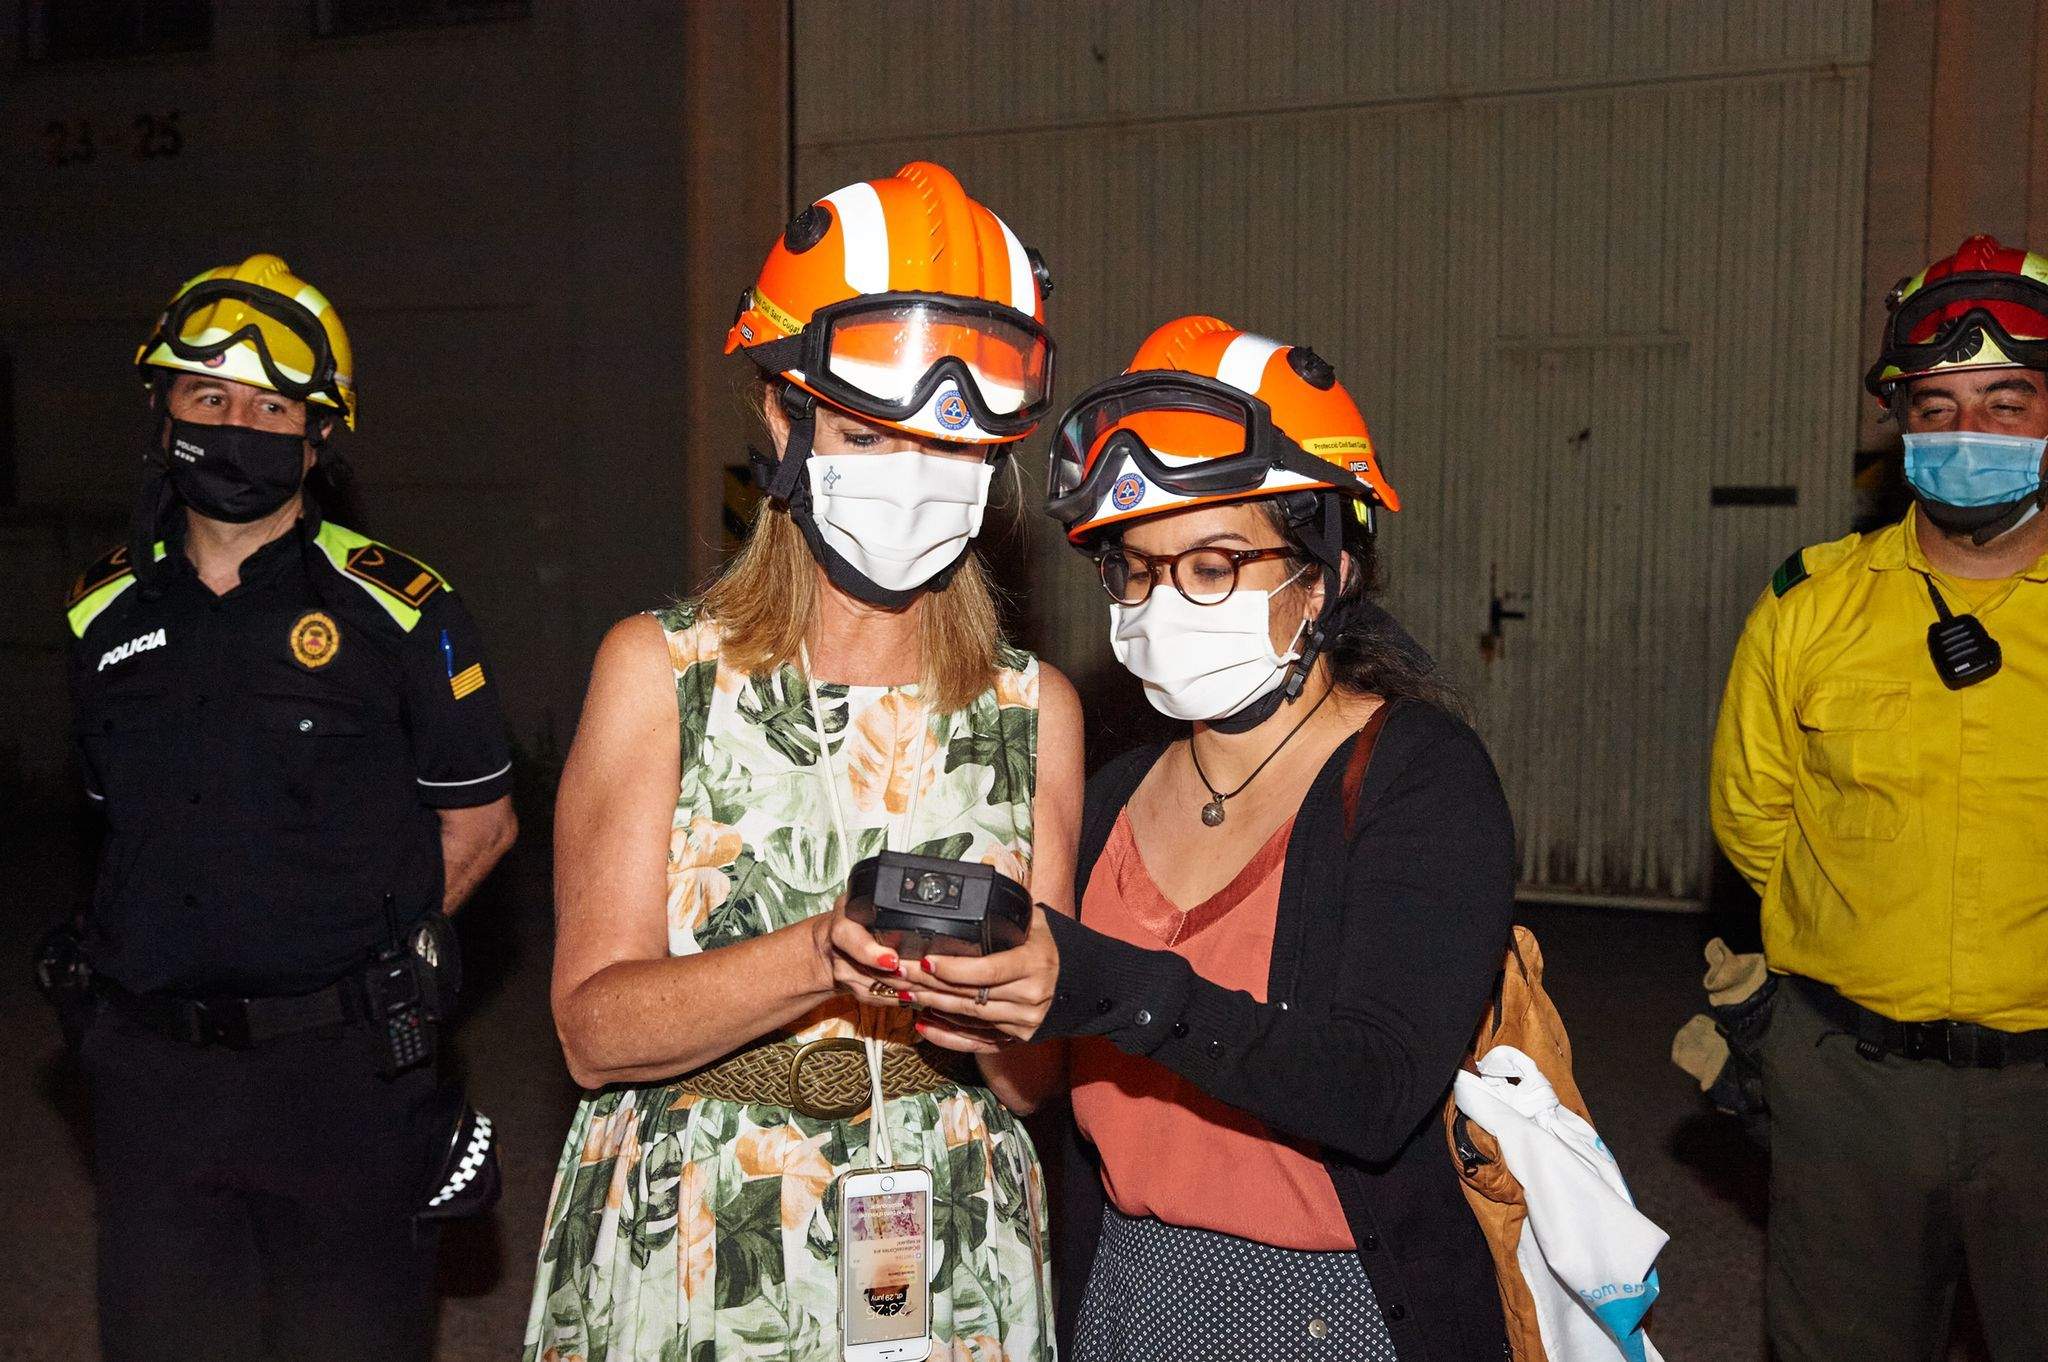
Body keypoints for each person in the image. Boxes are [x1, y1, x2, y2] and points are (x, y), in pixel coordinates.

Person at [525, 161, 1082, 1362]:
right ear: (781, 420)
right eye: (869, 432)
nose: (916, 474)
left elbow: (1035, 1088)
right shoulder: (658, 672)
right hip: (700, 1227)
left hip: (949, 1237)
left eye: (952, 443)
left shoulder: (1035, 707)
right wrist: (815, 956)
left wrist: (1022, 1008)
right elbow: (593, 1031)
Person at [896, 316, 1516, 1360]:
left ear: (1323, 572)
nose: (1159, 604)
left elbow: (1370, 1091)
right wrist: (982, 1000)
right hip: (1126, 1289)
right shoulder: (1111, 794)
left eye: (1214, 564)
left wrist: (1098, 982)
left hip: (1336, 1307)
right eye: (1135, 569)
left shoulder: (1419, 778)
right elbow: (1053, 1072)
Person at [65, 252, 519, 1361]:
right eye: (206, 396)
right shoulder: (99, 604)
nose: (235, 424)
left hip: (342, 1080)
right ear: (160, 406)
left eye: (271, 406)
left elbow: (483, 824)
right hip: (155, 1081)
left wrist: (390, 954)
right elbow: (109, 819)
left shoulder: (401, 607)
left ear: (320, 436)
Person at [1710, 233, 2048, 1362]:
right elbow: (1753, 826)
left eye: (2006, 402)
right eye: (1936, 404)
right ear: (1897, 420)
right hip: (1850, 1091)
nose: (1967, 435)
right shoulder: (1805, 608)